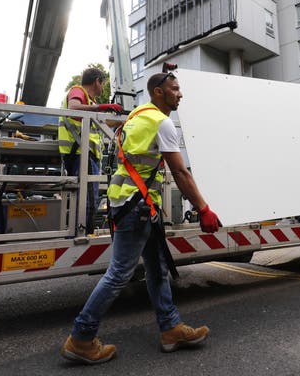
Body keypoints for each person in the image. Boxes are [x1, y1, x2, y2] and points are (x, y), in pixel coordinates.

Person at [61, 71, 221, 364]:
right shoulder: (161, 122)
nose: (180, 94)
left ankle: (171, 328)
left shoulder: (137, 117)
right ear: (158, 92)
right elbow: (180, 172)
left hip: (135, 205)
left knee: (157, 268)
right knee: (120, 273)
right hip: (138, 207)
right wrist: (203, 209)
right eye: (174, 89)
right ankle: (81, 338)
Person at [58, 67, 123, 234]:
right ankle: (82, 233)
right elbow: (73, 107)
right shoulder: (77, 91)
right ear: (97, 81)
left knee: (89, 197)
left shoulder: (90, 104)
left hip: (85, 154)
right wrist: (102, 107)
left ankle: (83, 231)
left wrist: (122, 119)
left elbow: (103, 124)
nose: (102, 89)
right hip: (80, 152)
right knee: (87, 199)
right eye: (103, 84)